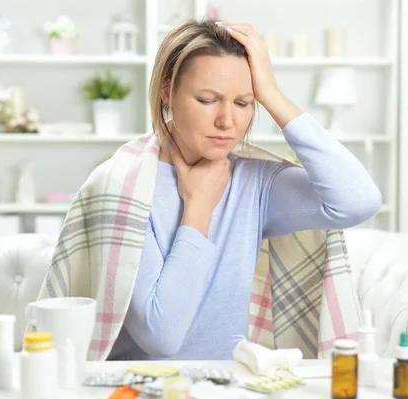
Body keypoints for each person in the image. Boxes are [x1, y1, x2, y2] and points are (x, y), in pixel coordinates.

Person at [105, 19, 382, 361]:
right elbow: (161, 337)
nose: (227, 121)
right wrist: (199, 207)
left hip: (228, 387)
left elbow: (359, 201)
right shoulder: (126, 187)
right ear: (167, 91)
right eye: (208, 100)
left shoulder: (255, 182)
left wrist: (273, 95)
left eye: (243, 103)